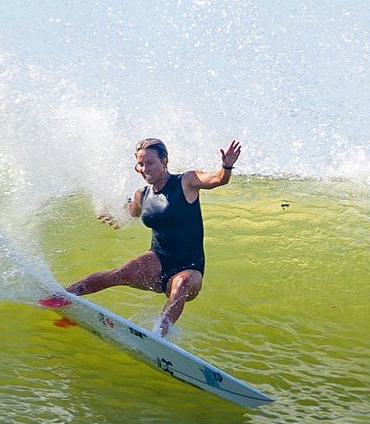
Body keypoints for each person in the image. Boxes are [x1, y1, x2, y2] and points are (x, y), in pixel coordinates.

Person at [42, 138, 241, 336]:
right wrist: (115, 214)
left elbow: (217, 179)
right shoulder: (142, 195)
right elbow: (131, 211)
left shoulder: (186, 182)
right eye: (141, 164)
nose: (145, 168)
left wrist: (226, 166)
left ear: (165, 161)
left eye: (150, 163)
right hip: (158, 261)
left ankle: (158, 334)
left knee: (181, 284)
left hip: (190, 270)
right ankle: (63, 296)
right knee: (118, 274)